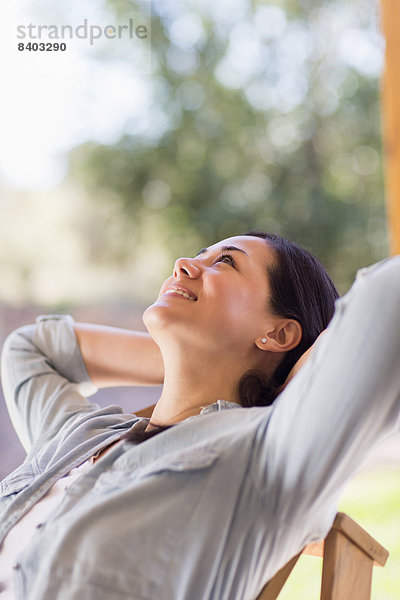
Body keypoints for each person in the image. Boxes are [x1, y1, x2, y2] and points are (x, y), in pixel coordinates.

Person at [0, 230, 399, 600]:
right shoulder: (81, 435)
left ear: (278, 335)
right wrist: (186, 360)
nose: (183, 264)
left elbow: (386, 303)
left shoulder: (267, 453)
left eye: (225, 263)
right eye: (198, 255)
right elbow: (30, 349)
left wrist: (293, 376)